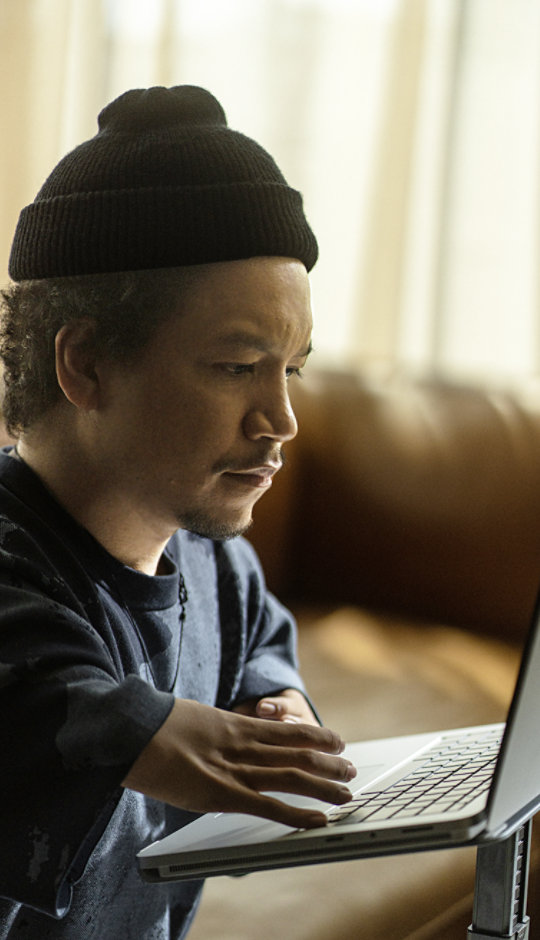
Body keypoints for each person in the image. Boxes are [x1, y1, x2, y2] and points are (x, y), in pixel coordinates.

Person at [0, 85, 356, 938]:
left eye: (291, 370)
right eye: (238, 367)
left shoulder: (211, 556)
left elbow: (261, 640)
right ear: (85, 364)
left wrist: (279, 704)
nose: (282, 420)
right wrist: (140, 734)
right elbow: (52, 697)